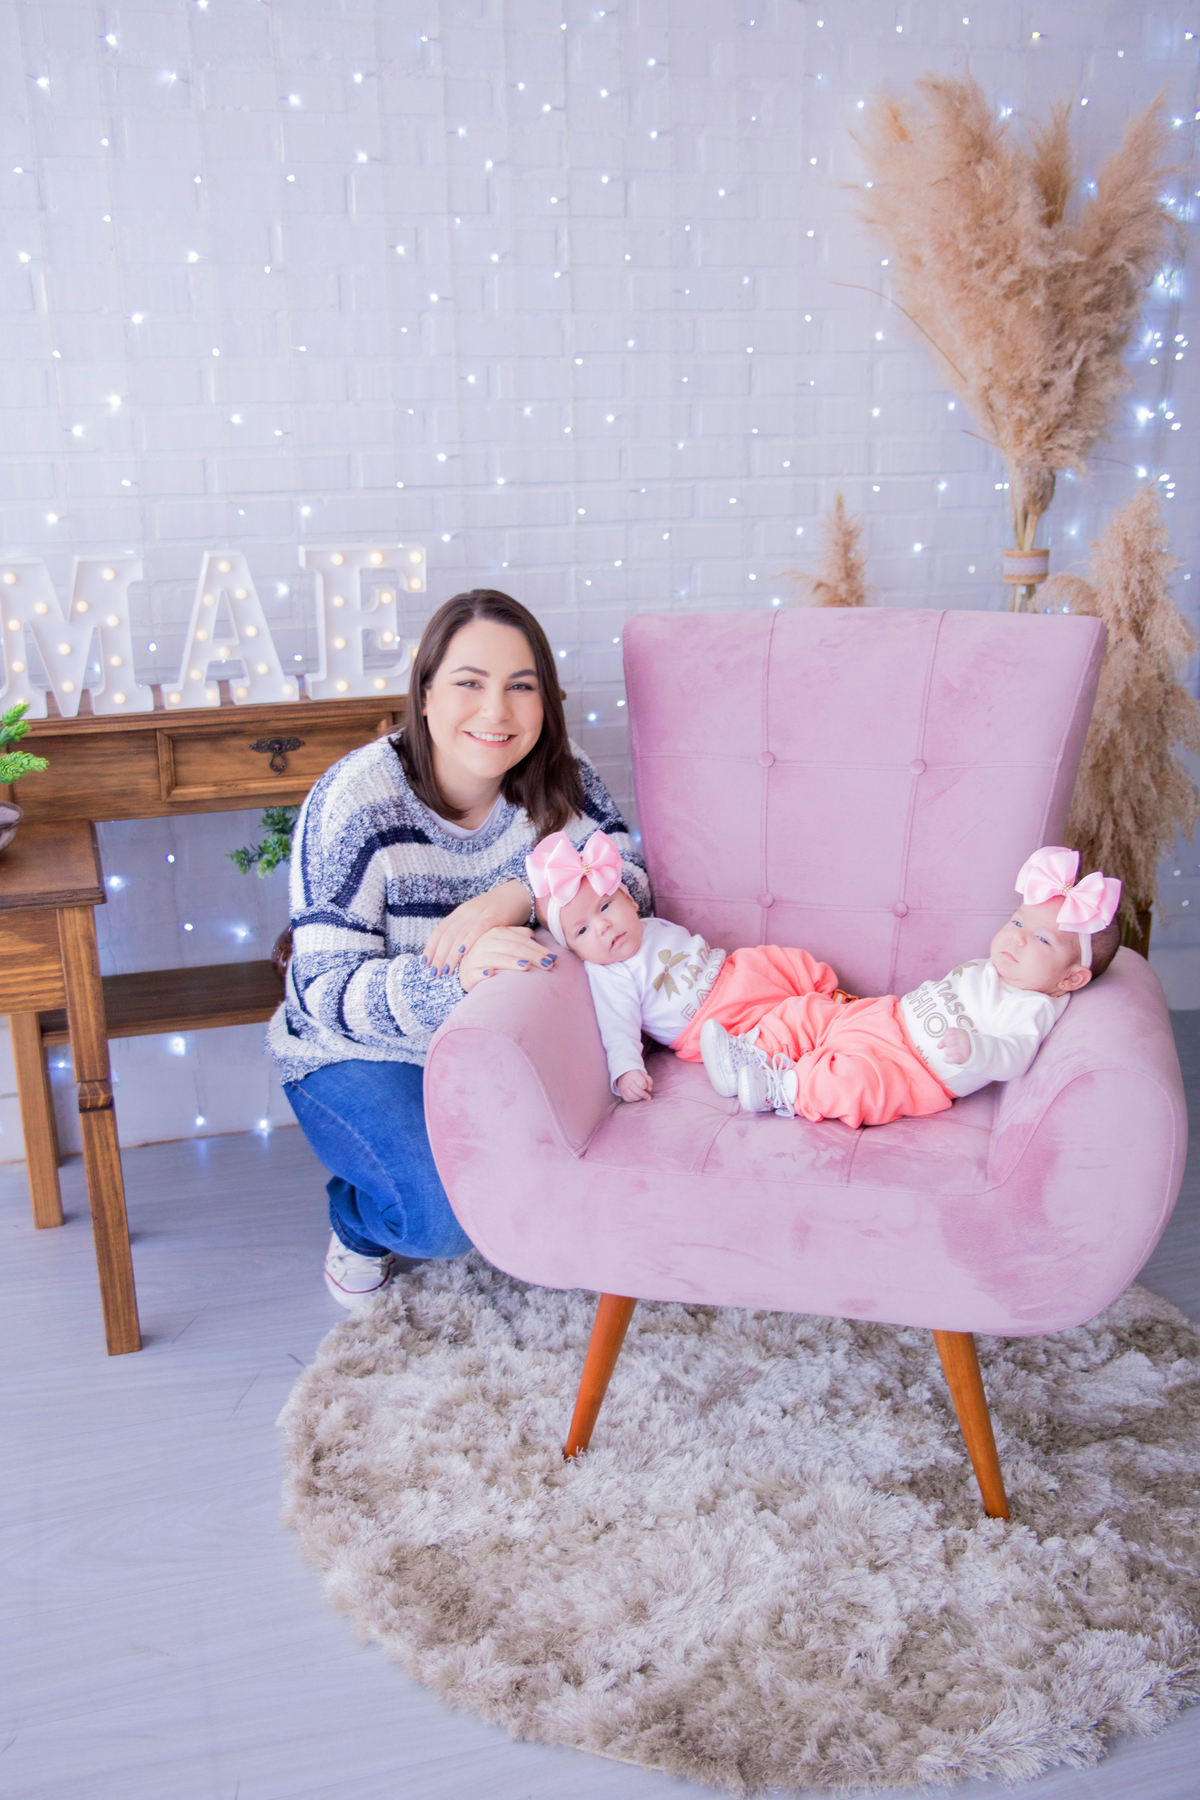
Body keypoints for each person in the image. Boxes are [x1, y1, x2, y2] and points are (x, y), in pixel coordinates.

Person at [270, 591, 649, 1308]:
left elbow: (633, 879)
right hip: (358, 1051)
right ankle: (357, 1219)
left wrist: (524, 894)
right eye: (469, 683)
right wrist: (455, 983)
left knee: (576, 1162)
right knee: (443, 1221)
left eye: (521, 686)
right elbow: (321, 990)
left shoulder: (559, 777)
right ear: (425, 692)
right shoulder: (354, 801)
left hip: (499, 1039)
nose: (496, 712)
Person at [528, 834, 1121, 1129]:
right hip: (884, 1017)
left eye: (1038, 938)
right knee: (802, 1015)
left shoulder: (1035, 1008)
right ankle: (745, 1056)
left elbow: (1015, 1056)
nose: (1014, 938)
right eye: (1017, 922)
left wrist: (980, 1050)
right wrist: (625, 1067)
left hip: (916, 1072)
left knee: (850, 1082)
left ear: (1071, 978)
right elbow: (615, 1027)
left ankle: (783, 1089)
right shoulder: (610, 973)